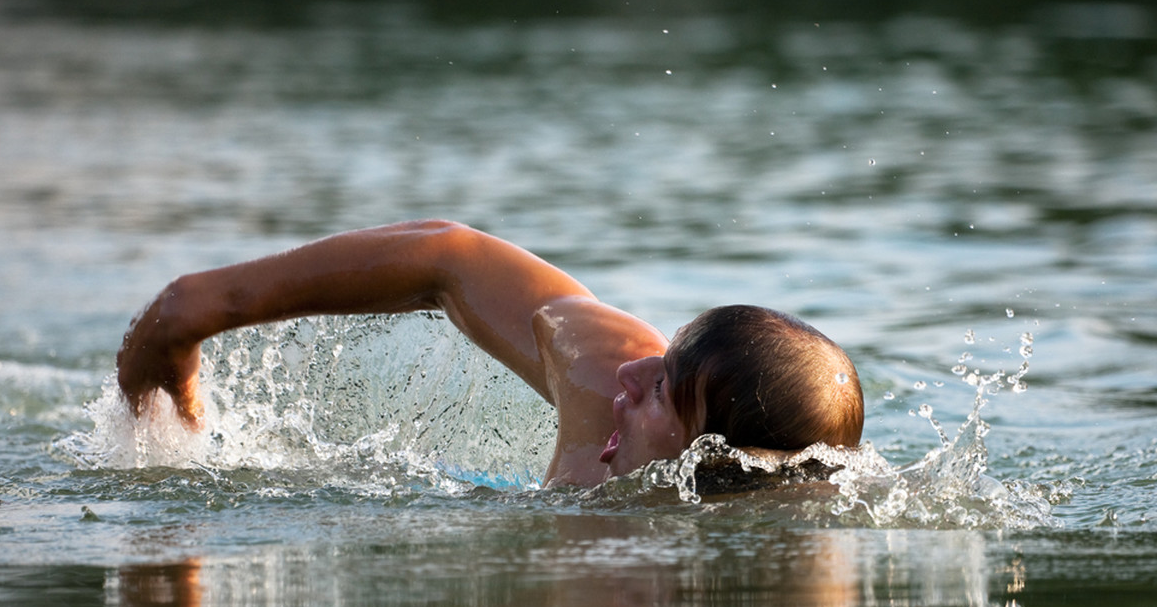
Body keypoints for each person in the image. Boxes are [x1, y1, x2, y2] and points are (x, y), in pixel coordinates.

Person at [117, 220, 864, 488]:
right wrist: (207, 305)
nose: (630, 377)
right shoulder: (603, 372)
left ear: (717, 463)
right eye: (659, 358)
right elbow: (451, 257)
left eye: (664, 391)